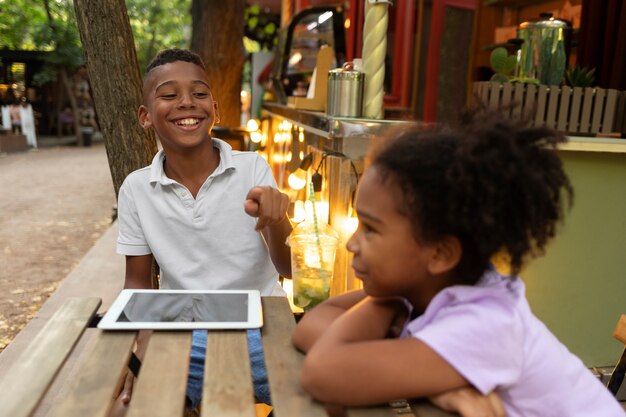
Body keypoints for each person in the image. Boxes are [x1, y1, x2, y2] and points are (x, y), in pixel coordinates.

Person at [292, 112, 626, 417]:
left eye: (371, 229)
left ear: (440, 254)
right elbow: (310, 327)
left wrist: (384, 312)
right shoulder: (432, 288)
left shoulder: (482, 324)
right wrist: (441, 379)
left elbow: (321, 372)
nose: (352, 243)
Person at [112, 48, 293, 416]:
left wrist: (277, 220)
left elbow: (288, 268)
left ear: (215, 108)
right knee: (122, 407)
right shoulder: (135, 188)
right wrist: (136, 350)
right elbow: (137, 283)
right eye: (168, 94)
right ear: (146, 117)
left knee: (315, 399)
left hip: (261, 328)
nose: (186, 103)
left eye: (198, 93)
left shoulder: (252, 168)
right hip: (180, 334)